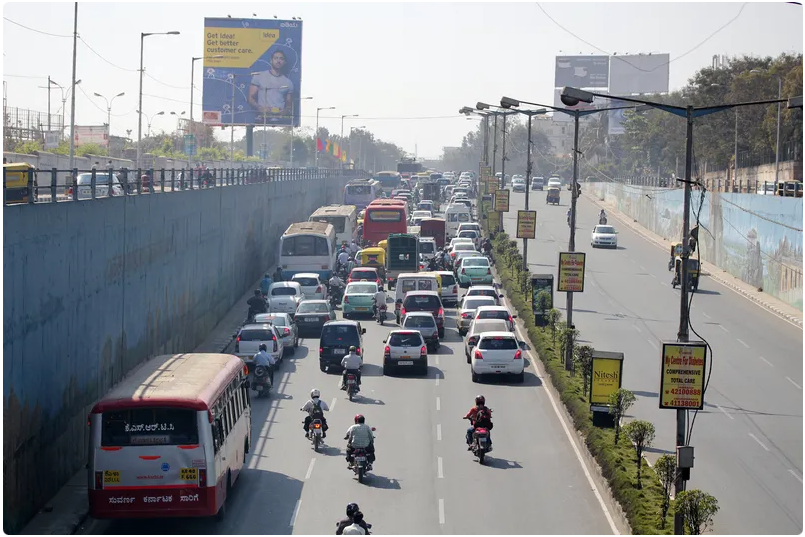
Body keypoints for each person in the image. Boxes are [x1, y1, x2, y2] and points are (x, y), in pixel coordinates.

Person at [248, 49, 294, 118]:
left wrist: (285, 111)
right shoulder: (259, 76)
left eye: (281, 59)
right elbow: (250, 98)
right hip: (262, 119)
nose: (278, 61)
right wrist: (260, 108)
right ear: (271, 61)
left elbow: (289, 106)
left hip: (280, 120)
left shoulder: (288, 83)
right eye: (276, 58)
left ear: (284, 62)